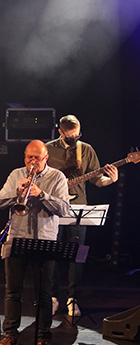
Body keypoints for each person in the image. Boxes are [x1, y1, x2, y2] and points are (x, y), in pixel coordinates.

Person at [0, 140, 69, 345]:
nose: (32, 162)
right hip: (17, 238)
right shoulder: (16, 174)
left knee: (44, 294)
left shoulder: (57, 177)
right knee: (12, 291)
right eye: (29, 157)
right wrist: (16, 192)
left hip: (45, 241)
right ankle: (10, 334)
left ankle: (43, 338)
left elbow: (64, 209)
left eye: (37, 158)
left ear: (46, 158)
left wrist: (42, 194)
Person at [46, 115, 118, 317]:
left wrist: (110, 180)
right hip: (53, 207)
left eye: (77, 135)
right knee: (51, 254)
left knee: (77, 255)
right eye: (70, 136)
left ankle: (72, 298)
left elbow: (97, 179)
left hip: (78, 208)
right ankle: (52, 297)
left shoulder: (85, 150)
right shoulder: (48, 149)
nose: (74, 139)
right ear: (60, 132)